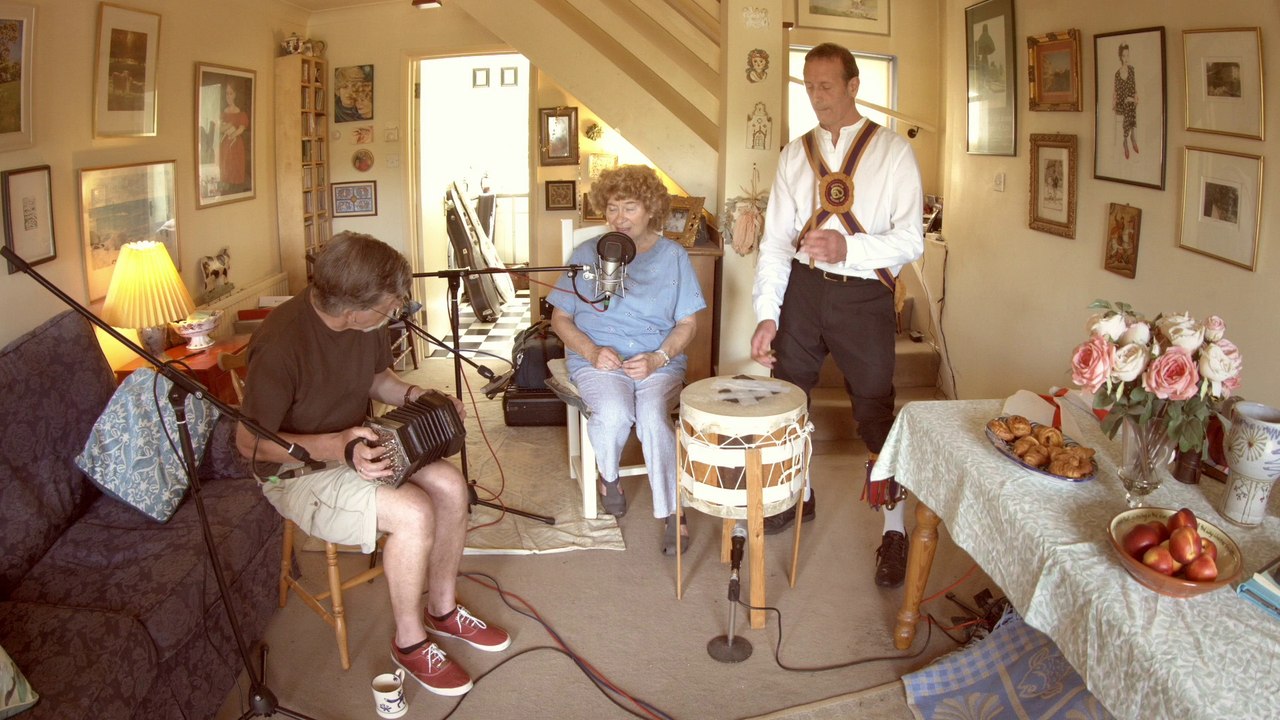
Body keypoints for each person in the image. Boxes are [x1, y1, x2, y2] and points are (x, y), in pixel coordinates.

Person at [234, 232, 510, 696]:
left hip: (355, 441)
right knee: (414, 511)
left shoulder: (365, 322)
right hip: (297, 470)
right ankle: (409, 642)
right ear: (351, 308)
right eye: (388, 305)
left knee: (449, 484)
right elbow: (248, 443)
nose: (395, 310)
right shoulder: (280, 344)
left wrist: (415, 394)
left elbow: (378, 379)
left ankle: (441, 610)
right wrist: (337, 445)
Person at [750, 43, 924, 588]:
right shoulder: (793, 154)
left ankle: (893, 530)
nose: (817, 96)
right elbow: (777, 242)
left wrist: (850, 250)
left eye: (827, 85)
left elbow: (911, 239)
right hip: (802, 292)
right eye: (810, 85)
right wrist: (766, 314)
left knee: (875, 410)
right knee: (788, 399)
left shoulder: (893, 152)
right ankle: (800, 495)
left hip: (863, 297)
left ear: (853, 86)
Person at [548, 165, 706, 555]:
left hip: (658, 359)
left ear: (650, 209)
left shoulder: (674, 257)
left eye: (630, 208)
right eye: (613, 208)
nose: (619, 218)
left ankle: (673, 511)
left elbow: (688, 322)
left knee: (652, 415)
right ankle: (609, 477)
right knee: (615, 412)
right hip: (599, 359)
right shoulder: (586, 254)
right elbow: (560, 317)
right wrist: (590, 351)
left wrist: (658, 357)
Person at [218, 81, 249, 191]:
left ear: (235, 94)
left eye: (230, 93)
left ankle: (236, 189)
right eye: (227, 93)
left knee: (236, 165)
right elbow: (220, 129)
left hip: (236, 144)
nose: (228, 96)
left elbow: (241, 128)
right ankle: (226, 186)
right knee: (226, 165)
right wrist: (230, 125)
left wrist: (232, 134)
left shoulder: (241, 113)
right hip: (226, 144)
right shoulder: (224, 112)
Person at [1113, 43, 1138, 160]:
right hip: (1121, 102)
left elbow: (1134, 88)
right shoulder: (1117, 74)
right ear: (1120, 57)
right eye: (1124, 56)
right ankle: (1128, 138)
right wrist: (1126, 99)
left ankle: (1128, 138)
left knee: (1131, 103)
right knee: (1128, 104)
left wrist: (1134, 98)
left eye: (1128, 55)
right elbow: (1117, 93)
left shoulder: (1132, 70)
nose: (1126, 59)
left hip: (1130, 100)